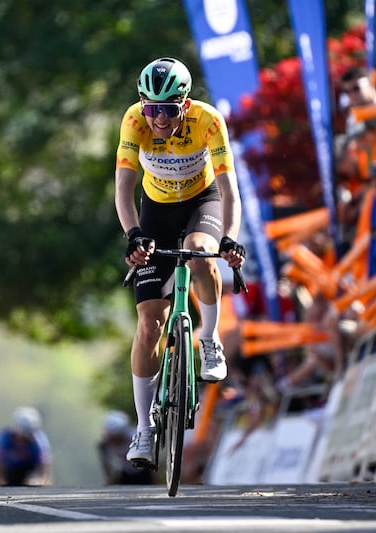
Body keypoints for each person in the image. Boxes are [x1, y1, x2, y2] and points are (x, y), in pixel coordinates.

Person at [114, 57, 246, 468]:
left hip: (201, 202)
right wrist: (134, 235)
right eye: (151, 108)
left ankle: (209, 340)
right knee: (149, 321)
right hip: (154, 210)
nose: (158, 119)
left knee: (200, 251)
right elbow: (123, 190)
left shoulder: (208, 121)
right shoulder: (134, 121)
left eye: (167, 110)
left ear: (184, 106)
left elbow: (229, 190)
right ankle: (144, 428)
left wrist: (230, 238)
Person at [0, 406, 53, 486]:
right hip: (11, 471)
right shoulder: (5, 437)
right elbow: (0, 462)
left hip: (31, 471)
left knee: (32, 481)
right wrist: (1, 480)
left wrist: (44, 482)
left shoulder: (40, 440)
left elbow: (44, 465)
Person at [97, 411, 153, 485]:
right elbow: (106, 464)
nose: (113, 441)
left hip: (144, 472)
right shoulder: (105, 445)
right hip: (126, 473)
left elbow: (153, 459)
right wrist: (110, 479)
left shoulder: (136, 438)